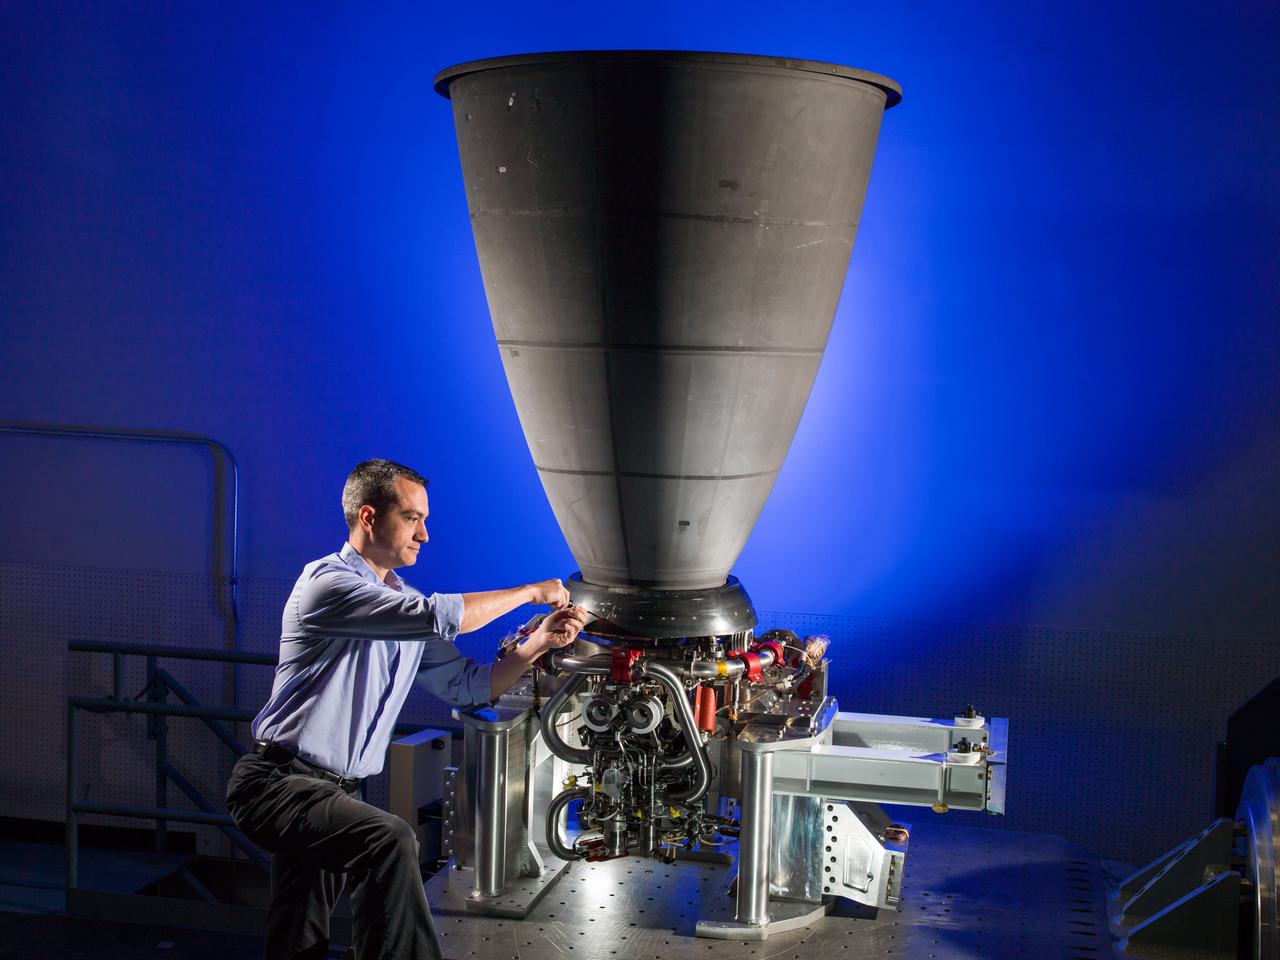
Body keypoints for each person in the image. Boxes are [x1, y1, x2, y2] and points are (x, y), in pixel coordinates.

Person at [226, 459, 587, 960]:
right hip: (278, 784)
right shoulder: (327, 585)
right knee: (389, 840)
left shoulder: (402, 604)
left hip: (335, 791)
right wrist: (529, 593)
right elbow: (443, 617)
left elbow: (468, 685)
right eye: (413, 518)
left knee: (297, 938)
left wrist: (539, 644)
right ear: (369, 517)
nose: (425, 534)